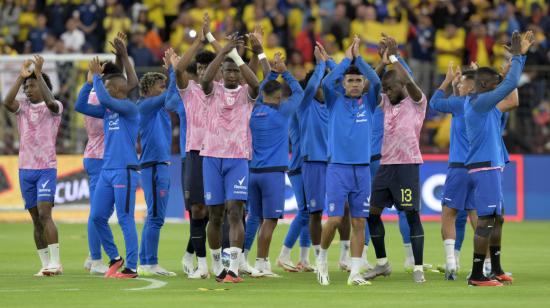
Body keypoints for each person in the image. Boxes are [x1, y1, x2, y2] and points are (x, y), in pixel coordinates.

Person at [464, 31, 532, 287]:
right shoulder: (480, 102)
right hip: (485, 168)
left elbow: (512, 95)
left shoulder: (487, 105)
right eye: (496, 81)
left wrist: (514, 65)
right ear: (484, 86)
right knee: (486, 220)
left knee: (497, 218)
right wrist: (518, 56)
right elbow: (512, 81)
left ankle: (497, 269)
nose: (500, 83)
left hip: (492, 166)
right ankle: (476, 275)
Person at [316, 36, 380, 286]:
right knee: (333, 220)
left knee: (358, 221)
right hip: (338, 169)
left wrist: (359, 59)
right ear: (344, 83)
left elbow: (375, 80)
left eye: (357, 80)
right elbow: (327, 81)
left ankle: (355, 273)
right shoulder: (334, 101)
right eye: (350, 80)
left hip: (362, 171)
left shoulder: (370, 102)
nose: (354, 84)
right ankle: (321, 258)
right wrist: (346, 60)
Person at [364, 35, 428, 283]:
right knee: (372, 214)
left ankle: (418, 268)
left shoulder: (418, 103)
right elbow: (370, 85)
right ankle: (382, 264)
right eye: (385, 90)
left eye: (391, 88)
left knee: (412, 215)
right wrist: (382, 63)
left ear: (401, 86)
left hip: (407, 167)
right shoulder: (385, 104)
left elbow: (409, 80)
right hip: (386, 166)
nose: (388, 93)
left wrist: (394, 56)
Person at [200, 36, 260, 283]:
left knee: (235, 212)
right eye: (229, 70)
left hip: (237, 159)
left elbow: (256, 82)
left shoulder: (248, 93)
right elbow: (204, 79)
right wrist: (223, 52)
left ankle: (233, 269)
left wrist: (236, 56)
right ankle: (218, 265)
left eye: (236, 70)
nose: (233, 74)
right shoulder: (212, 91)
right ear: (221, 73)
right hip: (212, 157)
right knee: (214, 216)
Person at [76, 57, 140, 278]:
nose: (101, 89)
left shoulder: (129, 109)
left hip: (125, 169)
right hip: (107, 171)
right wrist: (87, 83)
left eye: (105, 85)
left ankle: (131, 266)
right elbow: (80, 106)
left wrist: (95, 76)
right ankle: (114, 257)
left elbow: (103, 97)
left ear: (115, 89)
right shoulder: (107, 111)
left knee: (124, 218)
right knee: (97, 217)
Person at [2, 56, 63, 276]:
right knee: (36, 219)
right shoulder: (23, 108)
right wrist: (21, 76)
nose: (27, 90)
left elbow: (50, 103)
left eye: (32, 85)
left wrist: (38, 73)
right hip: (25, 169)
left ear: (43, 85)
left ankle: (57, 262)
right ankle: (46, 264)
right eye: (26, 87)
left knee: (45, 214)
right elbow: (7, 102)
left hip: (46, 167)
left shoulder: (55, 106)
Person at [249, 52, 304, 276]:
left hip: (252, 171)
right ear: (279, 97)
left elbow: (263, 89)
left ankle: (243, 260)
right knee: (270, 221)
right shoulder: (282, 111)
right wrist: (285, 72)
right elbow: (300, 93)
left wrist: (272, 73)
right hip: (272, 174)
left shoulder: (253, 110)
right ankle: (262, 264)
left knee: (254, 218)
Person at [175, 16, 220, 278]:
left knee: (218, 211)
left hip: (218, 153)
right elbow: (179, 70)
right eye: (201, 68)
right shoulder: (189, 90)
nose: (204, 72)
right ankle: (201, 264)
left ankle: (211, 260)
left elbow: (230, 63)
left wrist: (216, 45)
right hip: (195, 154)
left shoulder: (223, 89)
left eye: (208, 68)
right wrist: (199, 41)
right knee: (198, 209)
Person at [429, 64, 478, 280]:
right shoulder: (484, 105)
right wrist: (475, 76)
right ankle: (485, 264)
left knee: (448, 214)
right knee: (477, 216)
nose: (459, 84)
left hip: (459, 167)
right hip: (480, 168)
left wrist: (448, 80)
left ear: (471, 86)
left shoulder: (459, 103)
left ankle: (451, 264)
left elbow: (434, 103)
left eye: (462, 82)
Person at [137, 48, 179, 277]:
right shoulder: (144, 105)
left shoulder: (159, 108)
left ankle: (146, 261)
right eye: (159, 86)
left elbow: (171, 97)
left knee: (153, 216)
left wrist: (172, 72)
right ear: (148, 89)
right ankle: (150, 263)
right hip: (153, 166)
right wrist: (172, 69)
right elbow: (169, 94)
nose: (163, 90)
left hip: (159, 165)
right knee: (155, 217)